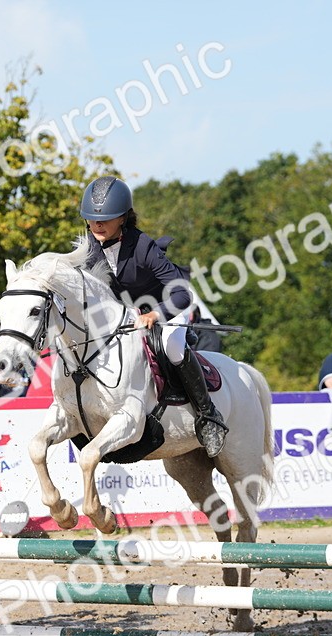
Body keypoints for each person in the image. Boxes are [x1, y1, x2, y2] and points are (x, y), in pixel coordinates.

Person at [78, 175, 226, 457]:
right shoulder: (89, 246)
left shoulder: (143, 246)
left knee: (172, 347)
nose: (96, 224)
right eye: (91, 219)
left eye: (105, 219)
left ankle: (208, 417)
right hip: (125, 317)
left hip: (166, 308)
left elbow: (183, 295)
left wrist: (156, 314)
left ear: (122, 218)